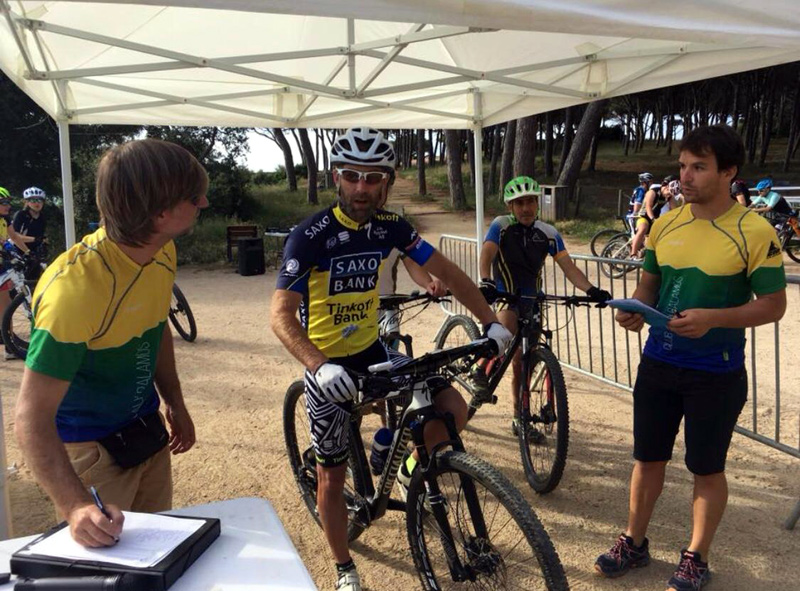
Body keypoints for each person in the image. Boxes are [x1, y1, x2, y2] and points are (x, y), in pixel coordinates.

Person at [270, 127, 512, 591]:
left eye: (373, 178)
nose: (362, 188)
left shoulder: (391, 227)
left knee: (452, 408)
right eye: (353, 177)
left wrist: (490, 322)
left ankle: (402, 463)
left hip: (372, 351)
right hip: (329, 364)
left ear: (387, 180)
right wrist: (319, 366)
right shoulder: (310, 236)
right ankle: (343, 564)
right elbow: (280, 314)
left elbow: (448, 272)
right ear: (336, 177)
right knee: (331, 473)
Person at [594, 125, 786, 591]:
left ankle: (696, 555)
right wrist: (637, 311)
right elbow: (649, 285)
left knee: (706, 467)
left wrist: (712, 318)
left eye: (699, 167)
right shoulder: (665, 223)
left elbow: (773, 304)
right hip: (659, 362)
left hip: (715, 371)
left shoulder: (754, 230)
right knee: (647, 459)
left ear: (729, 172)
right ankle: (633, 542)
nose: (685, 176)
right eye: (682, 166)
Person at [14, 139, 205, 548]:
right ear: (161, 212)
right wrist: (74, 506)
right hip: (92, 452)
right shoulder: (74, 291)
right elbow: (30, 418)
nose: (204, 202)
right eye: (195, 196)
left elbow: (156, 328)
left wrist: (174, 401)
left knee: (157, 559)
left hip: (146, 433)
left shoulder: (162, 250)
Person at [478, 175, 611, 435]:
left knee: (524, 364)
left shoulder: (548, 233)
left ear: (537, 204)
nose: (526, 208)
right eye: (519, 203)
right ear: (510, 207)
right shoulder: (501, 225)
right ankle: (479, 370)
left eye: (530, 202)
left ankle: (520, 417)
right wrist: (485, 281)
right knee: (503, 333)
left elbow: (569, 267)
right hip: (506, 295)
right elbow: (487, 253)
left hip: (533, 300)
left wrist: (592, 290)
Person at [0, 186, 34, 360]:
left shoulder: (5, 220)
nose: (7, 206)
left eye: (8, 202)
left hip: (1, 265)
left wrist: (28, 253)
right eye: (3, 203)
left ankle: (9, 346)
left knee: (6, 307)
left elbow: (13, 238)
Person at [630, 175, 677, 258]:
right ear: (665, 186)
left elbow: (674, 211)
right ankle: (633, 254)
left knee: (654, 240)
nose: (669, 195)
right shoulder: (653, 192)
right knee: (644, 228)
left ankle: (645, 255)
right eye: (669, 191)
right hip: (643, 216)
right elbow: (648, 206)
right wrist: (652, 218)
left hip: (655, 219)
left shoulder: (669, 196)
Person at [12, 186, 48, 259]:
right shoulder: (21, 215)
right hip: (18, 252)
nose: (37, 203)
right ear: (27, 202)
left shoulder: (42, 217)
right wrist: (35, 239)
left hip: (34, 254)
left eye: (40, 200)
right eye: (33, 200)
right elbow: (14, 236)